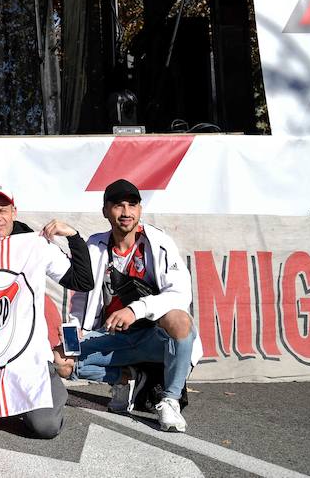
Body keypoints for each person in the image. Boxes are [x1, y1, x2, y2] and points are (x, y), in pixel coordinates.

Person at [69, 178, 202, 432]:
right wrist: (75, 329)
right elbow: (80, 298)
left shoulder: (159, 242)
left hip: (153, 338)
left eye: (133, 204)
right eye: (118, 205)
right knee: (61, 360)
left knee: (180, 320)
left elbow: (181, 294)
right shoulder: (94, 246)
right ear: (105, 211)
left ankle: (170, 400)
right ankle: (125, 378)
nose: (126, 212)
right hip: (114, 338)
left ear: (140, 209)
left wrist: (135, 309)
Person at [0, 182, 95, 437]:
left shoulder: (35, 244)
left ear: (14, 211)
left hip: (29, 355)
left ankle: (46, 386)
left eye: (2, 210)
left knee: (45, 427)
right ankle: (0, 396)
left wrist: (73, 236)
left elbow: (82, 281)